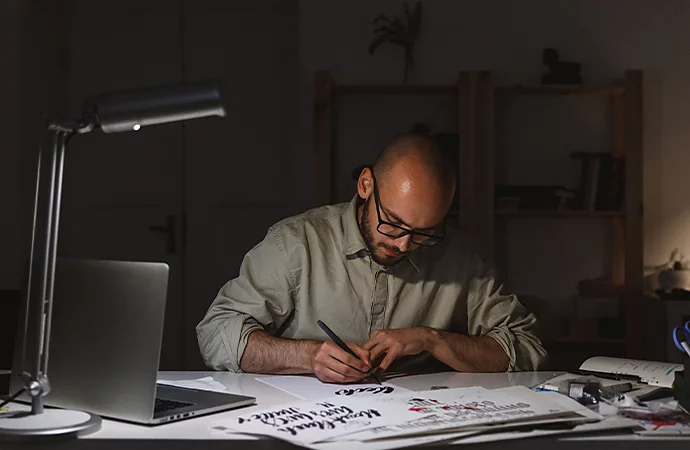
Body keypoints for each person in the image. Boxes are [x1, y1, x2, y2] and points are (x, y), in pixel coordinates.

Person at [196, 130, 548, 383]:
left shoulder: (461, 259)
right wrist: (307, 356)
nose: (405, 244)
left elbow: (527, 348)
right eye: (393, 223)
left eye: (425, 231)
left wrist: (432, 339)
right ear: (366, 185)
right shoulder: (296, 244)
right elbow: (216, 333)